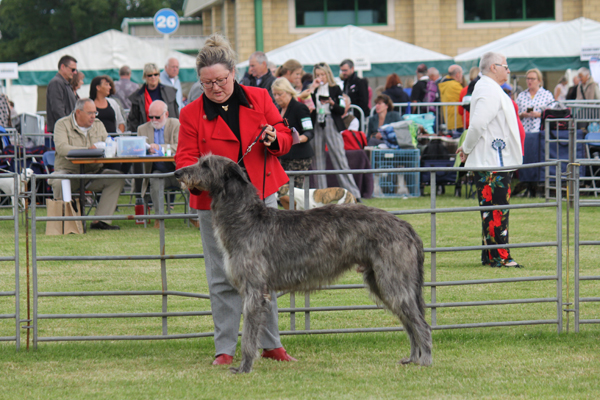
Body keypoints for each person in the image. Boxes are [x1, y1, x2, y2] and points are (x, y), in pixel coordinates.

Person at [174, 33, 296, 366]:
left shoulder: (259, 97)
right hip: (217, 209)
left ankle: (271, 344)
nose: (215, 87)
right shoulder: (190, 114)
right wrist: (198, 181)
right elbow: (185, 159)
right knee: (222, 276)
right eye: (207, 83)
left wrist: (274, 137)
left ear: (233, 73)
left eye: (221, 80)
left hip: (261, 200)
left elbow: (286, 136)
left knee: (264, 275)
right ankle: (225, 349)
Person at [456, 52, 523, 268]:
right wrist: (466, 148)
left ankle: (491, 254)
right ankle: (500, 256)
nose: (508, 70)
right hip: (492, 161)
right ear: (493, 67)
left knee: (493, 208)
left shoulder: (489, 88)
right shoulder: (487, 89)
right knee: (496, 208)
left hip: (493, 159)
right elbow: (477, 125)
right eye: (505, 65)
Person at [49, 98, 125, 230]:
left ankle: (100, 221)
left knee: (117, 178)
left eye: (95, 113)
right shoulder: (62, 124)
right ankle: (64, 223)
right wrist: (87, 151)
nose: (93, 116)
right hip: (68, 172)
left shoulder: (98, 124)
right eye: (90, 113)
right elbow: (61, 148)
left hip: (92, 173)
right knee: (58, 181)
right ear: (78, 112)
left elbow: (107, 143)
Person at [308, 62, 361, 200]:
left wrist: (331, 103)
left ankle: (353, 194)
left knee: (339, 157)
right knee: (317, 161)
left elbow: (341, 109)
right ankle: (321, 195)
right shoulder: (312, 89)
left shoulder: (335, 88)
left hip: (331, 121)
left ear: (328, 74)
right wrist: (312, 89)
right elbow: (306, 103)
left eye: (322, 74)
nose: (320, 77)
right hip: (317, 123)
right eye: (317, 75)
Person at [136, 100, 180, 227]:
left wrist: (160, 148)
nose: (154, 120)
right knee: (154, 180)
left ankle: (195, 217)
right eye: (151, 117)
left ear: (166, 114)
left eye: (157, 117)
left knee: (192, 180)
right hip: (157, 171)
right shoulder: (142, 129)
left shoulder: (175, 124)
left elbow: (179, 147)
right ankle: (158, 217)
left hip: (177, 170)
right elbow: (138, 151)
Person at [272, 77, 314, 190]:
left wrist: (298, 138)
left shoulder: (300, 108)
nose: (277, 97)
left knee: (295, 191)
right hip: (283, 155)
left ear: (288, 92)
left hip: (299, 156)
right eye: (274, 94)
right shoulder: (276, 109)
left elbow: (309, 131)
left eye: (280, 94)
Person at [127, 63, 179, 132]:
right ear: (145, 77)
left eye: (155, 74)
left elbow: (175, 113)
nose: (153, 77)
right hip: (147, 132)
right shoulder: (138, 96)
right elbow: (133, 120)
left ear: (159, 75)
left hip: (168, 132)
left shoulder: (169, 92)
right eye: (150, 75)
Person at [46, 55, 78, 134]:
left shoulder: (65, 84)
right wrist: (67, 128)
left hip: (66, 130)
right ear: (63, 67)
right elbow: (57, 109)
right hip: (61, 131)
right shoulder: (56, 83)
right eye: (73, 69)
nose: (75, 72)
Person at [516, 68, 554, 133]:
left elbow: (552, 113)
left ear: (539, 81)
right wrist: (522, 114)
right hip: (524, 131)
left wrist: (539, 115)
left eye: (532, 79)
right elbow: (515, 114)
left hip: (541, 131)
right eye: (528, 78)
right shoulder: (521, 95)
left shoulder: (547, 95)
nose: (529, 81)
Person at [438, 64, 465, 135]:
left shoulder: (444, 84)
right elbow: (465, 96)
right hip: (458, 121)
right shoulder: (455, 85)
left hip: (449, 120)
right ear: (458, 74)